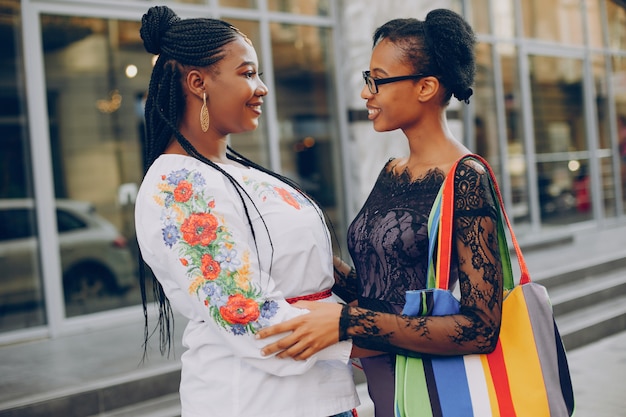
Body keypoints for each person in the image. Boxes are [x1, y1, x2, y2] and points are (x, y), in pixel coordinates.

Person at [257, 9, 503, 417]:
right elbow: (382, 291)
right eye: (367, 80)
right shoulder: (392, 171)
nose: (366, 93)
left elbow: (480, 329)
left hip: (434, 391)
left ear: (425, 86)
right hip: (384, 383)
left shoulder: (465, 178)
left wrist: (346, 322)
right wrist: (315, 262)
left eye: (377, 80)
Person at [134, 6, 359, 417]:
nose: (262, 88)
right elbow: (249, 318)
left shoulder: (237, 171)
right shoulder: (178, 186)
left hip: (318, 395)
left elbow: (312, 268)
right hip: (258, 402)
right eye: (247, 73)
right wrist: (386, 333)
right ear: (198, 83)